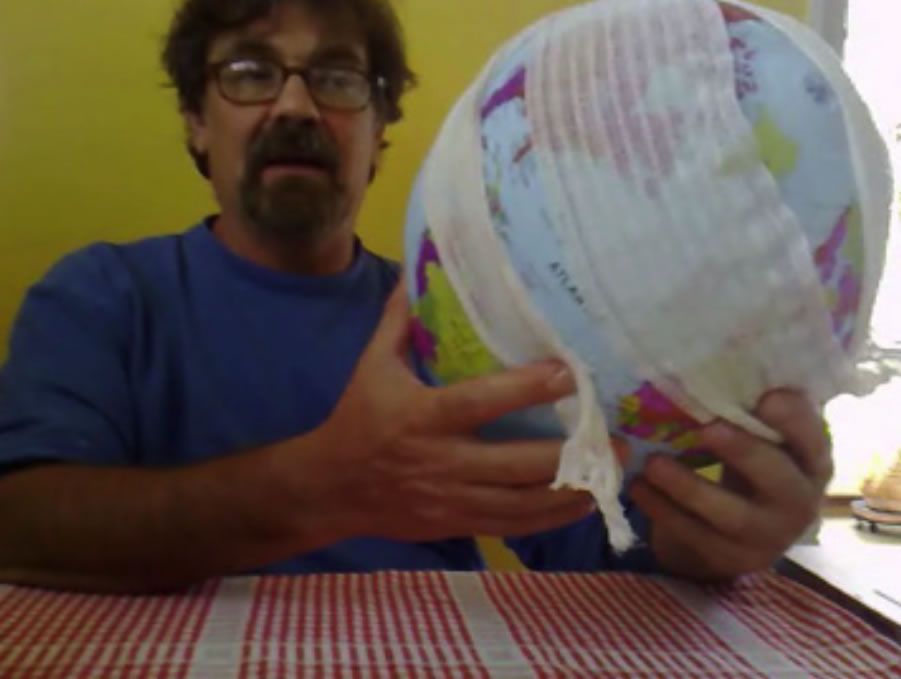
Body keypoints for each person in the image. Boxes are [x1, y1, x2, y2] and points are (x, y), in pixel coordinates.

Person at [0, 0, 833, 594]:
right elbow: (22, 524)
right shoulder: (99, 296)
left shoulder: (462, 321)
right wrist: (322, 486)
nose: (295, 105)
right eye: (250, 72)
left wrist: (702, 539)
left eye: (336, 78)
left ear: (378, 135)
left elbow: (594, 545)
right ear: (194, 121)